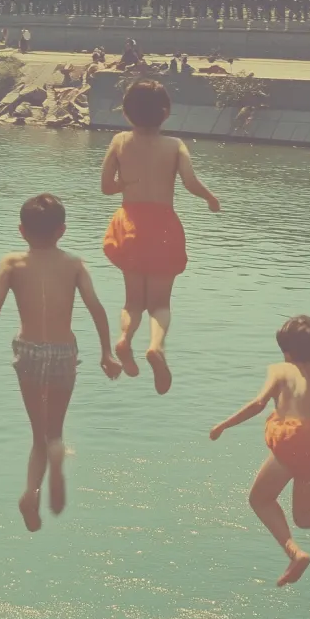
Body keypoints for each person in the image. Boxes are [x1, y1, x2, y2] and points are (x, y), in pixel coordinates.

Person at [0, 194, 122, 531]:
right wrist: (107, 352)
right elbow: (95, 307)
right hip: (63, 353)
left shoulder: (12, 264)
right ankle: (57, 454)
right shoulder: (75, 264)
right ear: (62, 231)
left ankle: (32, 492)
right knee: (54, 432)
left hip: (30, 353)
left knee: (38, 437)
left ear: (21, 231)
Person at [209, 315, 310, 587]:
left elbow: (258, 404)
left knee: (260, 500)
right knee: (304, 515)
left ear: (287, 352)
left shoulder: (281, 370)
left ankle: (295, 553)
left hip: (293, 439)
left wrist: (224, 425)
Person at [100, 78, 221, 394]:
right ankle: (156, 347)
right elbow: (190, 182)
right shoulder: (175, 146)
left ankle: (125, 339)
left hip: (129, 224)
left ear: (126, 113)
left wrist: (126, 184)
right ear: (165, 113)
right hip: (163, 227)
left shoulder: (119, 142)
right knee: (160, 304)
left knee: (133, 302)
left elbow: (106, 187)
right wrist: (210, 198)